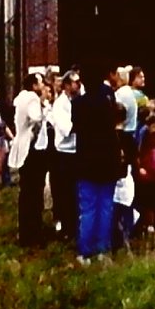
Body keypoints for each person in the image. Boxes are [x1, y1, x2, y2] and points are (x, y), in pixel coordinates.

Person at [72, 64, 121, 264]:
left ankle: (84, 251)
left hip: (86, 160)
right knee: (106, 206)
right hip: (108, 159)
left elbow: (76, 128)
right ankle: (102, 249)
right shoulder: (108, 101)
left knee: (88, 208)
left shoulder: (78, 104)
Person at [19, 80, 54, 247]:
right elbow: (35, 122)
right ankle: (28, 233)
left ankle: (35, 229)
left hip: (40, 152)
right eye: (41, 83)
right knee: (29, 193)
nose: (44, 86)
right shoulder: (29, 102)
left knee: (36, 193)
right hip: (30, 153)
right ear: (34, 86)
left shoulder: (39, 103)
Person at [50, 70, 81, 242]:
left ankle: (76, 225)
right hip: (64, 153)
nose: (79, 85)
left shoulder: (79, 100)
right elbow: (66, 128)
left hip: (78, 151)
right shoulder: (59, 104)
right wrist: (83, 122)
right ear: (67, 85)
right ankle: (67, 228)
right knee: (66, 192)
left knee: (78, 191)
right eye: (75, 82)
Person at [112, 103, 137, 251]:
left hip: (110, 178)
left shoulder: (107, 139)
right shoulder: (129, 139)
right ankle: (127, 235)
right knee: (127, 207)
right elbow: (134, 158)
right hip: (126, 176)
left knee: (112, 210)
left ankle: (113, 237)